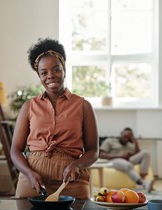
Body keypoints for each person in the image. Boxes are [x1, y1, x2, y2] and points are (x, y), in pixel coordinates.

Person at [11, 37, 99, 200]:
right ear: (39, 76)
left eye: (56, 69)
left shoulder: (83, 105)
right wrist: (29, 173)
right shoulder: (28, 106)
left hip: (70, 180)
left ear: (64, 69)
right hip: (33, 180)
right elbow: (15, 150)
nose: (50, 76)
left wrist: (77, 165)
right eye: (44, 72)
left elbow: (93, 150)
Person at [99, 127, 154, 192]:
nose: (126, 139)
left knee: (146, 153)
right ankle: (143, 184)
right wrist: (119, 155)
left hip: (128, 159)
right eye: (125, 136)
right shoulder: (110, 141)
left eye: (128, 137)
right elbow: (101, 154)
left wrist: (134, 141)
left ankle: (143, 180)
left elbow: (138, 153)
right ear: (121, 133)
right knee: (128, 165)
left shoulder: (129, 144)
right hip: (114, 160)